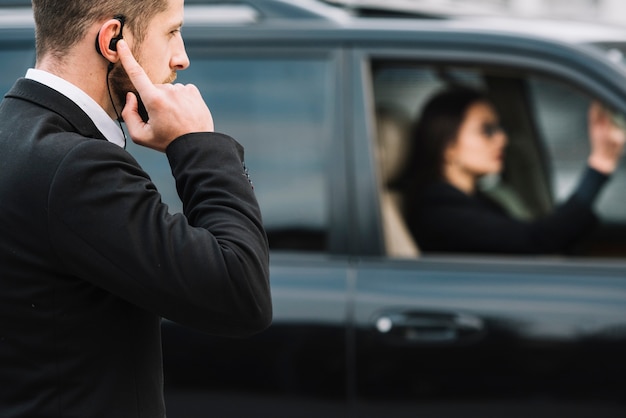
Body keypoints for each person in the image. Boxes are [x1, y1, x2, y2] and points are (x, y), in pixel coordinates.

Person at [0, 0, 272, 416]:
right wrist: (197, 143)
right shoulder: (77, 167)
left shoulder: (11, 133)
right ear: (113, 40)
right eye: (171, 32)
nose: (182, 57)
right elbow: (240, 292)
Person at [402, 86, 626, 254]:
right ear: (448, 146)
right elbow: (535, 240)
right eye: (487, 130)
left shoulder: (478, 201)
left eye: (499, 128)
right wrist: (600, 164)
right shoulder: (440, 213)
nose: (502, 138)